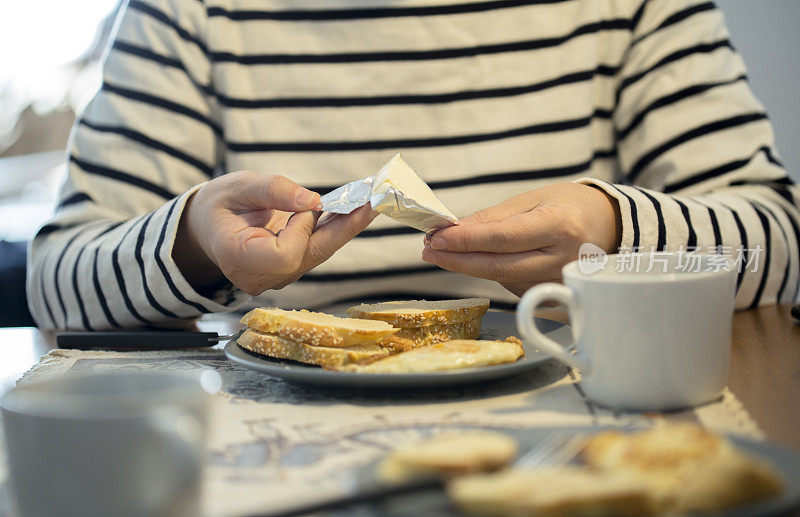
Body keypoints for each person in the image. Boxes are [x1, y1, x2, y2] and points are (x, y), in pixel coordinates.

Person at [27, 0, 800, 331]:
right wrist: (194, 241)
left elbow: (780, 240)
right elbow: (54, 275)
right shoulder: (189, 15)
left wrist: (613, 234)